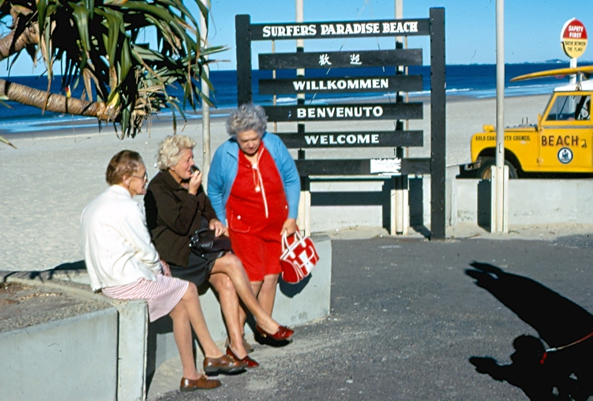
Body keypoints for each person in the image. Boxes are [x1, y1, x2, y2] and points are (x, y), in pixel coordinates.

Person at [81, 150, 246, 393]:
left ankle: (191, 375)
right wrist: (161, 271)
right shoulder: (126, 206)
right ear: (126, 178)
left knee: (179, 307)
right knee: (187, 288)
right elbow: (146, 251)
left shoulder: (94, 204)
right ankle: (212, 353)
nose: (145, 180)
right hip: (126, 281)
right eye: (142, 176)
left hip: (105, 281)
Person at [144, 135, 293, 367]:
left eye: (192, 157)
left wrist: (214, 220)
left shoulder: (189, 177)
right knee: (232, 263)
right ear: (171, 162)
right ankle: (263, 319)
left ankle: (237, 347)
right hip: (179, 257)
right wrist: (191, 193)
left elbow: (206, 207)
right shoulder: (158, 188)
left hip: (198, 250)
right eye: (187, 159)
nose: (191, 162)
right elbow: (181, 225)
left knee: (226, 282)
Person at [208, 103, 301, 342]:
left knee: (271, 276)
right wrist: (221, 221)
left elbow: (291, 179)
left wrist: (292, 216)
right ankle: (236, 338)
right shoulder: (225, 154)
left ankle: (264, 329)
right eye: (243, 140)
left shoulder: (274, 144)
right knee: (254, 279)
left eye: (254, 138)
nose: (249, 144)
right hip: (243, 226)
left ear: (261, 132)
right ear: (235, 137)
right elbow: (214, 190)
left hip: (277, 224)